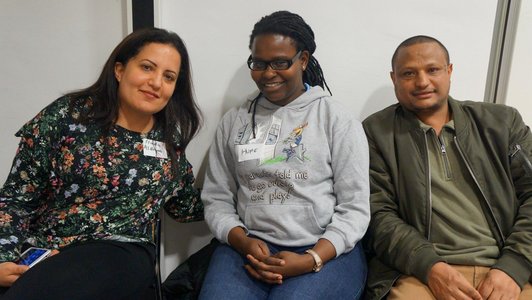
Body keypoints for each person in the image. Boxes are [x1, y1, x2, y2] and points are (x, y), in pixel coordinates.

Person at [0, 27, 203, 299]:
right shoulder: (67, 115)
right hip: (47, 247)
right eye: (146, 67)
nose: (156, 82)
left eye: (169, 77)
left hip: (121, 250)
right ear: (119, 70)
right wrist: (3, 256)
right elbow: (17, 197)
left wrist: (246, 203)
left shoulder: (168, 138)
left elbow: (186, 206)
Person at [199, 10, 370, 300]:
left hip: (324, 248)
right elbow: (216, 197)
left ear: (303, 60)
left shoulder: (335, 119)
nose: (267, 74)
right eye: (259, 63)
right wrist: (242, 241)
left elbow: (354, 208)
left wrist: (311, 259)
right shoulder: (235, 120)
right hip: (250, 246)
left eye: (280, 62)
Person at [363, 35, 532, 300]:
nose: (422, 82)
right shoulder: (376, 132)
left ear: (449, 71)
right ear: (394, 78)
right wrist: (431, 268)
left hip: (507, 268)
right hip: (421, 273)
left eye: (432, 70)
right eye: (408, 73)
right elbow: (378, 216)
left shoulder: (501, 122)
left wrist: (514, 266)